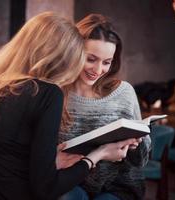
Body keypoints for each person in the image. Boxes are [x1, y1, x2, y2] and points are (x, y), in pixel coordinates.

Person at [0, 12, 138, 200]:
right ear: (59, 57)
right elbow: (47, 189)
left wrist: (49, 160)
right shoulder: (46, 93)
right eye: (84, 58)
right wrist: (98, 155)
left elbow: (2, 160)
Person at [59, 14, 151, 200]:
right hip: (69, 181)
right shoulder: (56, 92)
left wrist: (135, 144)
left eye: (106, 62)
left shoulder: (123, 92)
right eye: (91, 59)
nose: (98, 70)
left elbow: (142, 160)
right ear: (73, 51)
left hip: (119, 186)